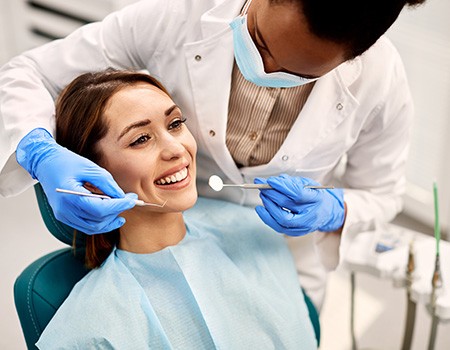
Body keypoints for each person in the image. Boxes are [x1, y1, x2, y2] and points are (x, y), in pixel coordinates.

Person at [0, 0, 426, 309]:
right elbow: (29, 72)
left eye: (297, 74)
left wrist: (336, 209)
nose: (266, 68)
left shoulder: (380, 81)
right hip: (165, 243)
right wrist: (38, 151)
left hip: (278, 265)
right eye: (259, 40)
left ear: (352, 60)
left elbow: (383, 194)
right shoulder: (177, 15)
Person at [35, 69, 318, 349]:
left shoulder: (254, 233)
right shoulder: (89, 332)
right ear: (92, 180)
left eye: (175, 124)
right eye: (140, 139)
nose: (177, 149)